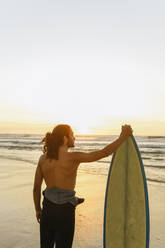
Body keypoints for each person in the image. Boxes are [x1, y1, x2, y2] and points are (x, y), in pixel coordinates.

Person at [33, 123, 133, 248]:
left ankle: (73, 199)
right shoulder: (73, 157)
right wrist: (123, 137)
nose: (74, 138)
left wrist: (38, 209)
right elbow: (104, 152)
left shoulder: (43, 159)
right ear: (64, 138)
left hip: (48, 209)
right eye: (72, 135)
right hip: (65, 212)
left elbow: (36, 188)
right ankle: (73, 199)